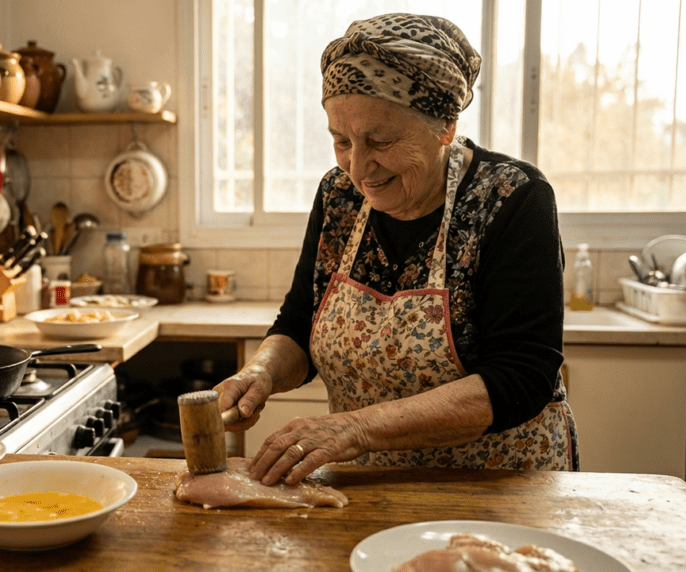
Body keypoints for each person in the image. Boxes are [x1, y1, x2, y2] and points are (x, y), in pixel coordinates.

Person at [215, 13, 578, 486]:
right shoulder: (338, 196)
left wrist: (357, 427)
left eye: (379, 140)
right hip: (367, 487)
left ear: (445, 125)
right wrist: (261, 372)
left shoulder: (512, 197)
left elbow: (520, 378)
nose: (358, 167)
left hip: (497, 488)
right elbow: (300, 323)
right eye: (340, 141)